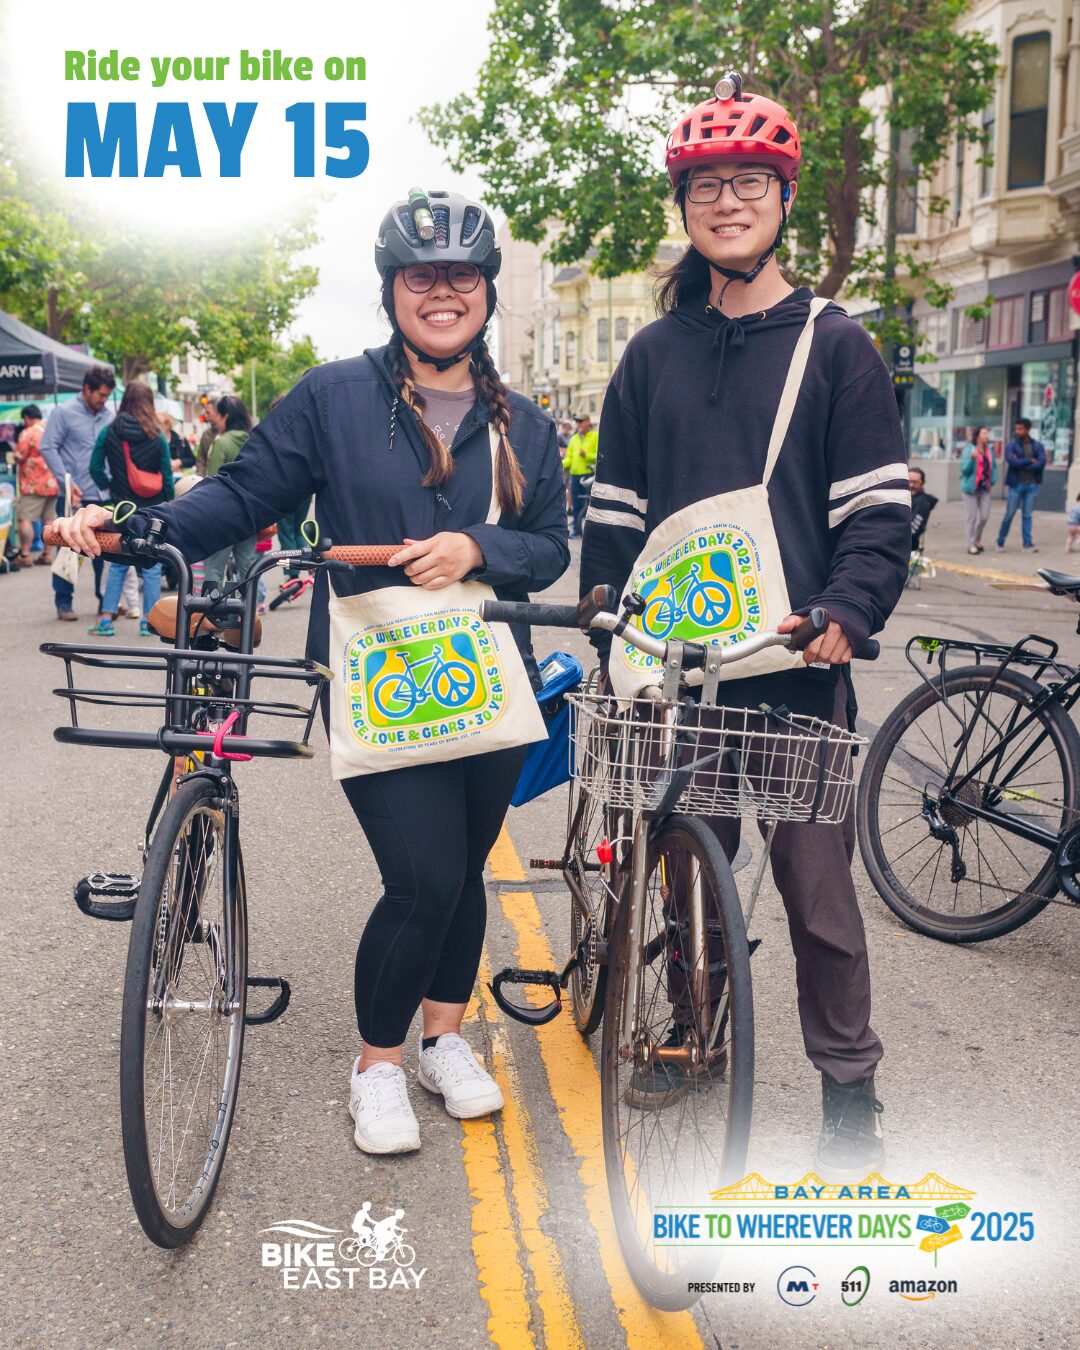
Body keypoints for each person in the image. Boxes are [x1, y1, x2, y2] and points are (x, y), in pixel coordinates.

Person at [53, 187, 569, 1157]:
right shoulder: (333, 399)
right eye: (423, 276)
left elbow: (549, 545)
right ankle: (377, 1063)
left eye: (462, 275)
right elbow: (242, 493)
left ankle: (440, 1040)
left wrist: (476, 548)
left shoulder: (528, 428)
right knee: (419, 875)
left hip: (491, 676)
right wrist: (131, 532)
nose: (443, 292)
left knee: (461, 878)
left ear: (486, 293)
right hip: (377, 679)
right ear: (393, 292)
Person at [579, 72, 910, 1180]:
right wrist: (599, 600)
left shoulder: (834, 345)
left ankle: (849, 1089)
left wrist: (846, 615)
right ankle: (688, 1028)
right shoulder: (651, 355)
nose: (728, 202)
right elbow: (616, 509)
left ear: (781, 200)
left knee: (820, 897)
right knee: (682, 879)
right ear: (686, 207)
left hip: (794, 667)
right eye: (708, 185)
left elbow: (876, 512)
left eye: (749, 183)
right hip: (679, 675)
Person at [85, 380, 175, 637]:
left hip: (121, 505)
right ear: (149, 402)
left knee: (118, 562)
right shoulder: (157, 434)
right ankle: (150, 622)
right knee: (153, 562)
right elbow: (167, 475)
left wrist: (111, 486)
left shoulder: (110, 430)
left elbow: (94, 467)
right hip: (154, 506)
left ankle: (105, 620)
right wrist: (168, 502)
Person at [38, 365, 116, 619]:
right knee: (68, 548)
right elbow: (48, 446)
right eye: (100, 395)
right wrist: (65, 480)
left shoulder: (109, 415)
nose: (104, 400)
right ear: (86, 389)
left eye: (107, 396)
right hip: (74, 495)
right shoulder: (64, 412)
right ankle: (63, 602)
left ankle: (106, 602)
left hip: (103, 494)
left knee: (102, 551)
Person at [200, 396, 257, 596]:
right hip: (249, 514)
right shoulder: (254, 440)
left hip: (222, 515)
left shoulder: (222, 443)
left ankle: (211, 614)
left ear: (225, 416)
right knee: (248, 567)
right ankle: (249, 614)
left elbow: (212, 482)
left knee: (215, 567)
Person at [12, 405, 58, 567]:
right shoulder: (50, 429)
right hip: (53, 482)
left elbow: (19, 455)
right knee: (49, 519)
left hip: (33, 484)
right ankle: (47, 554)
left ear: (27, 418)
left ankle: (25, 555)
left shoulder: (28, 432)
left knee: (25, 519)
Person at [996, 417, 1046, 553]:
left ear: (1027, 430)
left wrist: (1023, 463)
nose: (1017, 431)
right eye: (1016, 428)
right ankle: (1000, 541)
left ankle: (1027, 544)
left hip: (1031, 485)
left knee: (1027, 515)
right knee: (1010, 513)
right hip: (1016, 484)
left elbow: (1041, 463)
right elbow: (1012, 463)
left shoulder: (1037, 445)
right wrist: (1030, 460)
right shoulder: (1011, 445)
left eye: (1020, 429)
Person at [958, 429, 994, 554]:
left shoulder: (989, 449)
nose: (986, 435)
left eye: (987, 433)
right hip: (970, 489)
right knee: (971, 518)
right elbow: (964, 470)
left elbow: (993, 466)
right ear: (977, 436)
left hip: (985, 488)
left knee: (984, 516)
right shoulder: (969, 450)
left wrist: (992, 480)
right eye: (984, 433)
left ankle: (977, 539)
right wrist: (972, 459)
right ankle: (970, 544)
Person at [562, 413, 598, 537]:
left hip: (589, 475)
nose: (579, 424)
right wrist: (559, 464)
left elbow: (599, 455)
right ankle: (577, 531)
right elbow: (569, 459)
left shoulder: (595, 436)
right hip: (575, 475)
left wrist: (586, 456)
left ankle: (591, 532)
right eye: (577, 422)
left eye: (581, 421)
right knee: (576, 504)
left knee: (591, 505)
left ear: (588, 421)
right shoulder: (574, 439)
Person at [908, 465, 939, 551]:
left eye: (915, 482)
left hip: (909, 548)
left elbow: (913, 530)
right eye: (909, 481)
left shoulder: (923, 502)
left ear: (922, 483)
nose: (911, 485)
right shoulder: (905, 498)